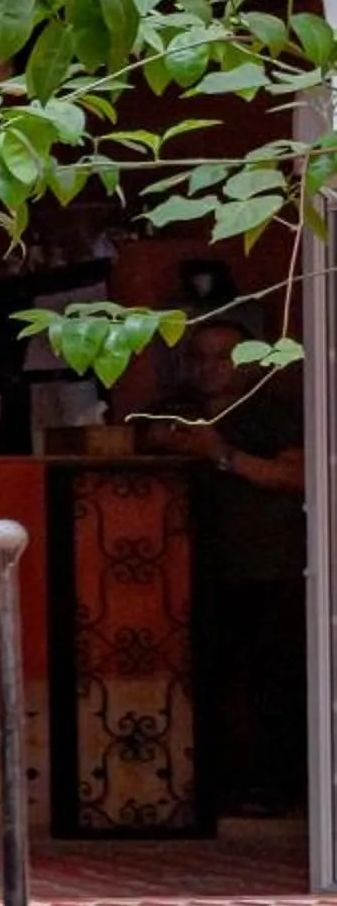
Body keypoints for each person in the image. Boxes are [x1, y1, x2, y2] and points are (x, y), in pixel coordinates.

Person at [156, 314, 308, 817]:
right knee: (209, 681)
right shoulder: (172, 411)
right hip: (192, 572)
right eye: (198, 357)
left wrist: (221, 454)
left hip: (270, 566)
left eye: (222, 357)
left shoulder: (271, 414)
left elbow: (299, 477)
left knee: (273, 684)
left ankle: (278, 790)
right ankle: (211, 789)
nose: (208, 368)